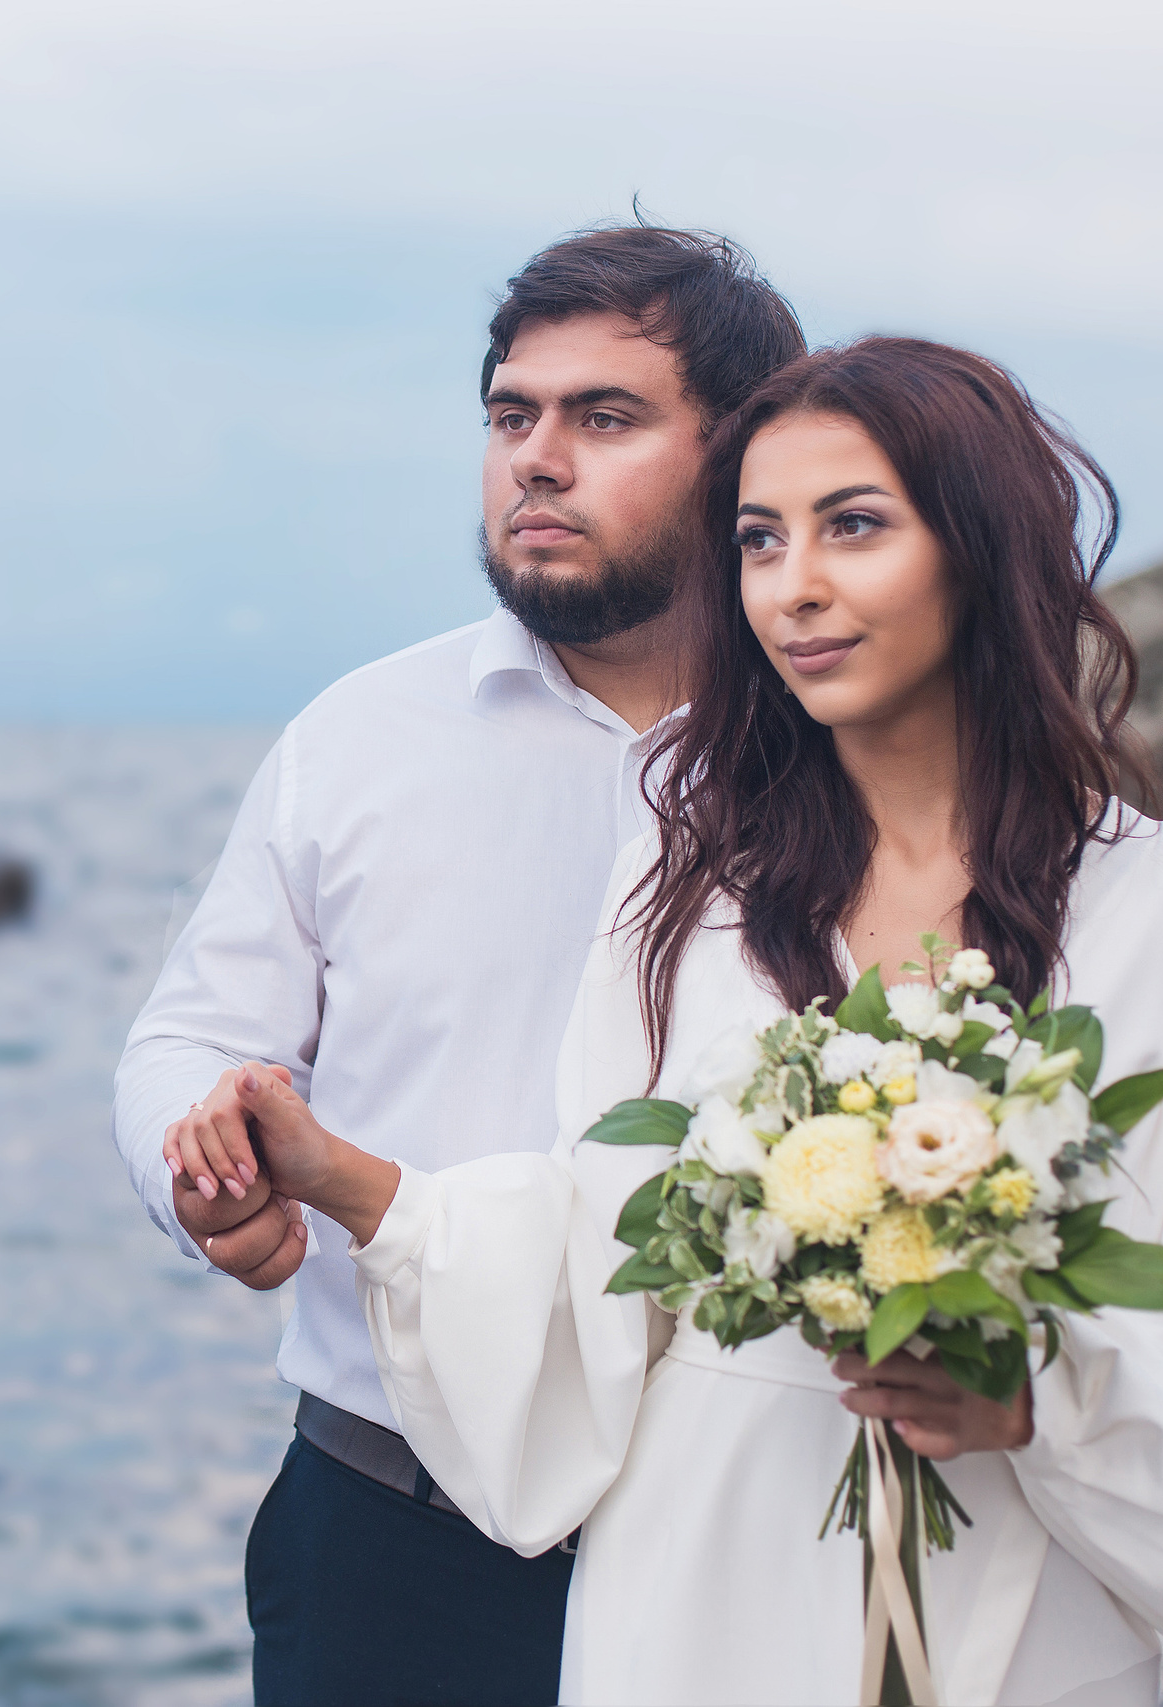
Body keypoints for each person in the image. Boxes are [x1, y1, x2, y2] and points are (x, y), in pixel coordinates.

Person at [193, 338, 1163, 1705]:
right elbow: (603, 1249)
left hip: (1012, 1586)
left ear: (984, 550)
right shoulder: (692, 897)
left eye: (857, 527)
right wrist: (351, 1183)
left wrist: (1038, 1395)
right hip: (696, 1580)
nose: (796, 588)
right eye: (760, 541)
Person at [111, 226, 804, 1705]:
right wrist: (199, 1172)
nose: (535, 460)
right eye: (510, 415)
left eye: (603, 418)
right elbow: (190, 1037)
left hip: (745, 1535)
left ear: (743, 452)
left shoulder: (839, 756)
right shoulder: (360, 737)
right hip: (391, 1535)